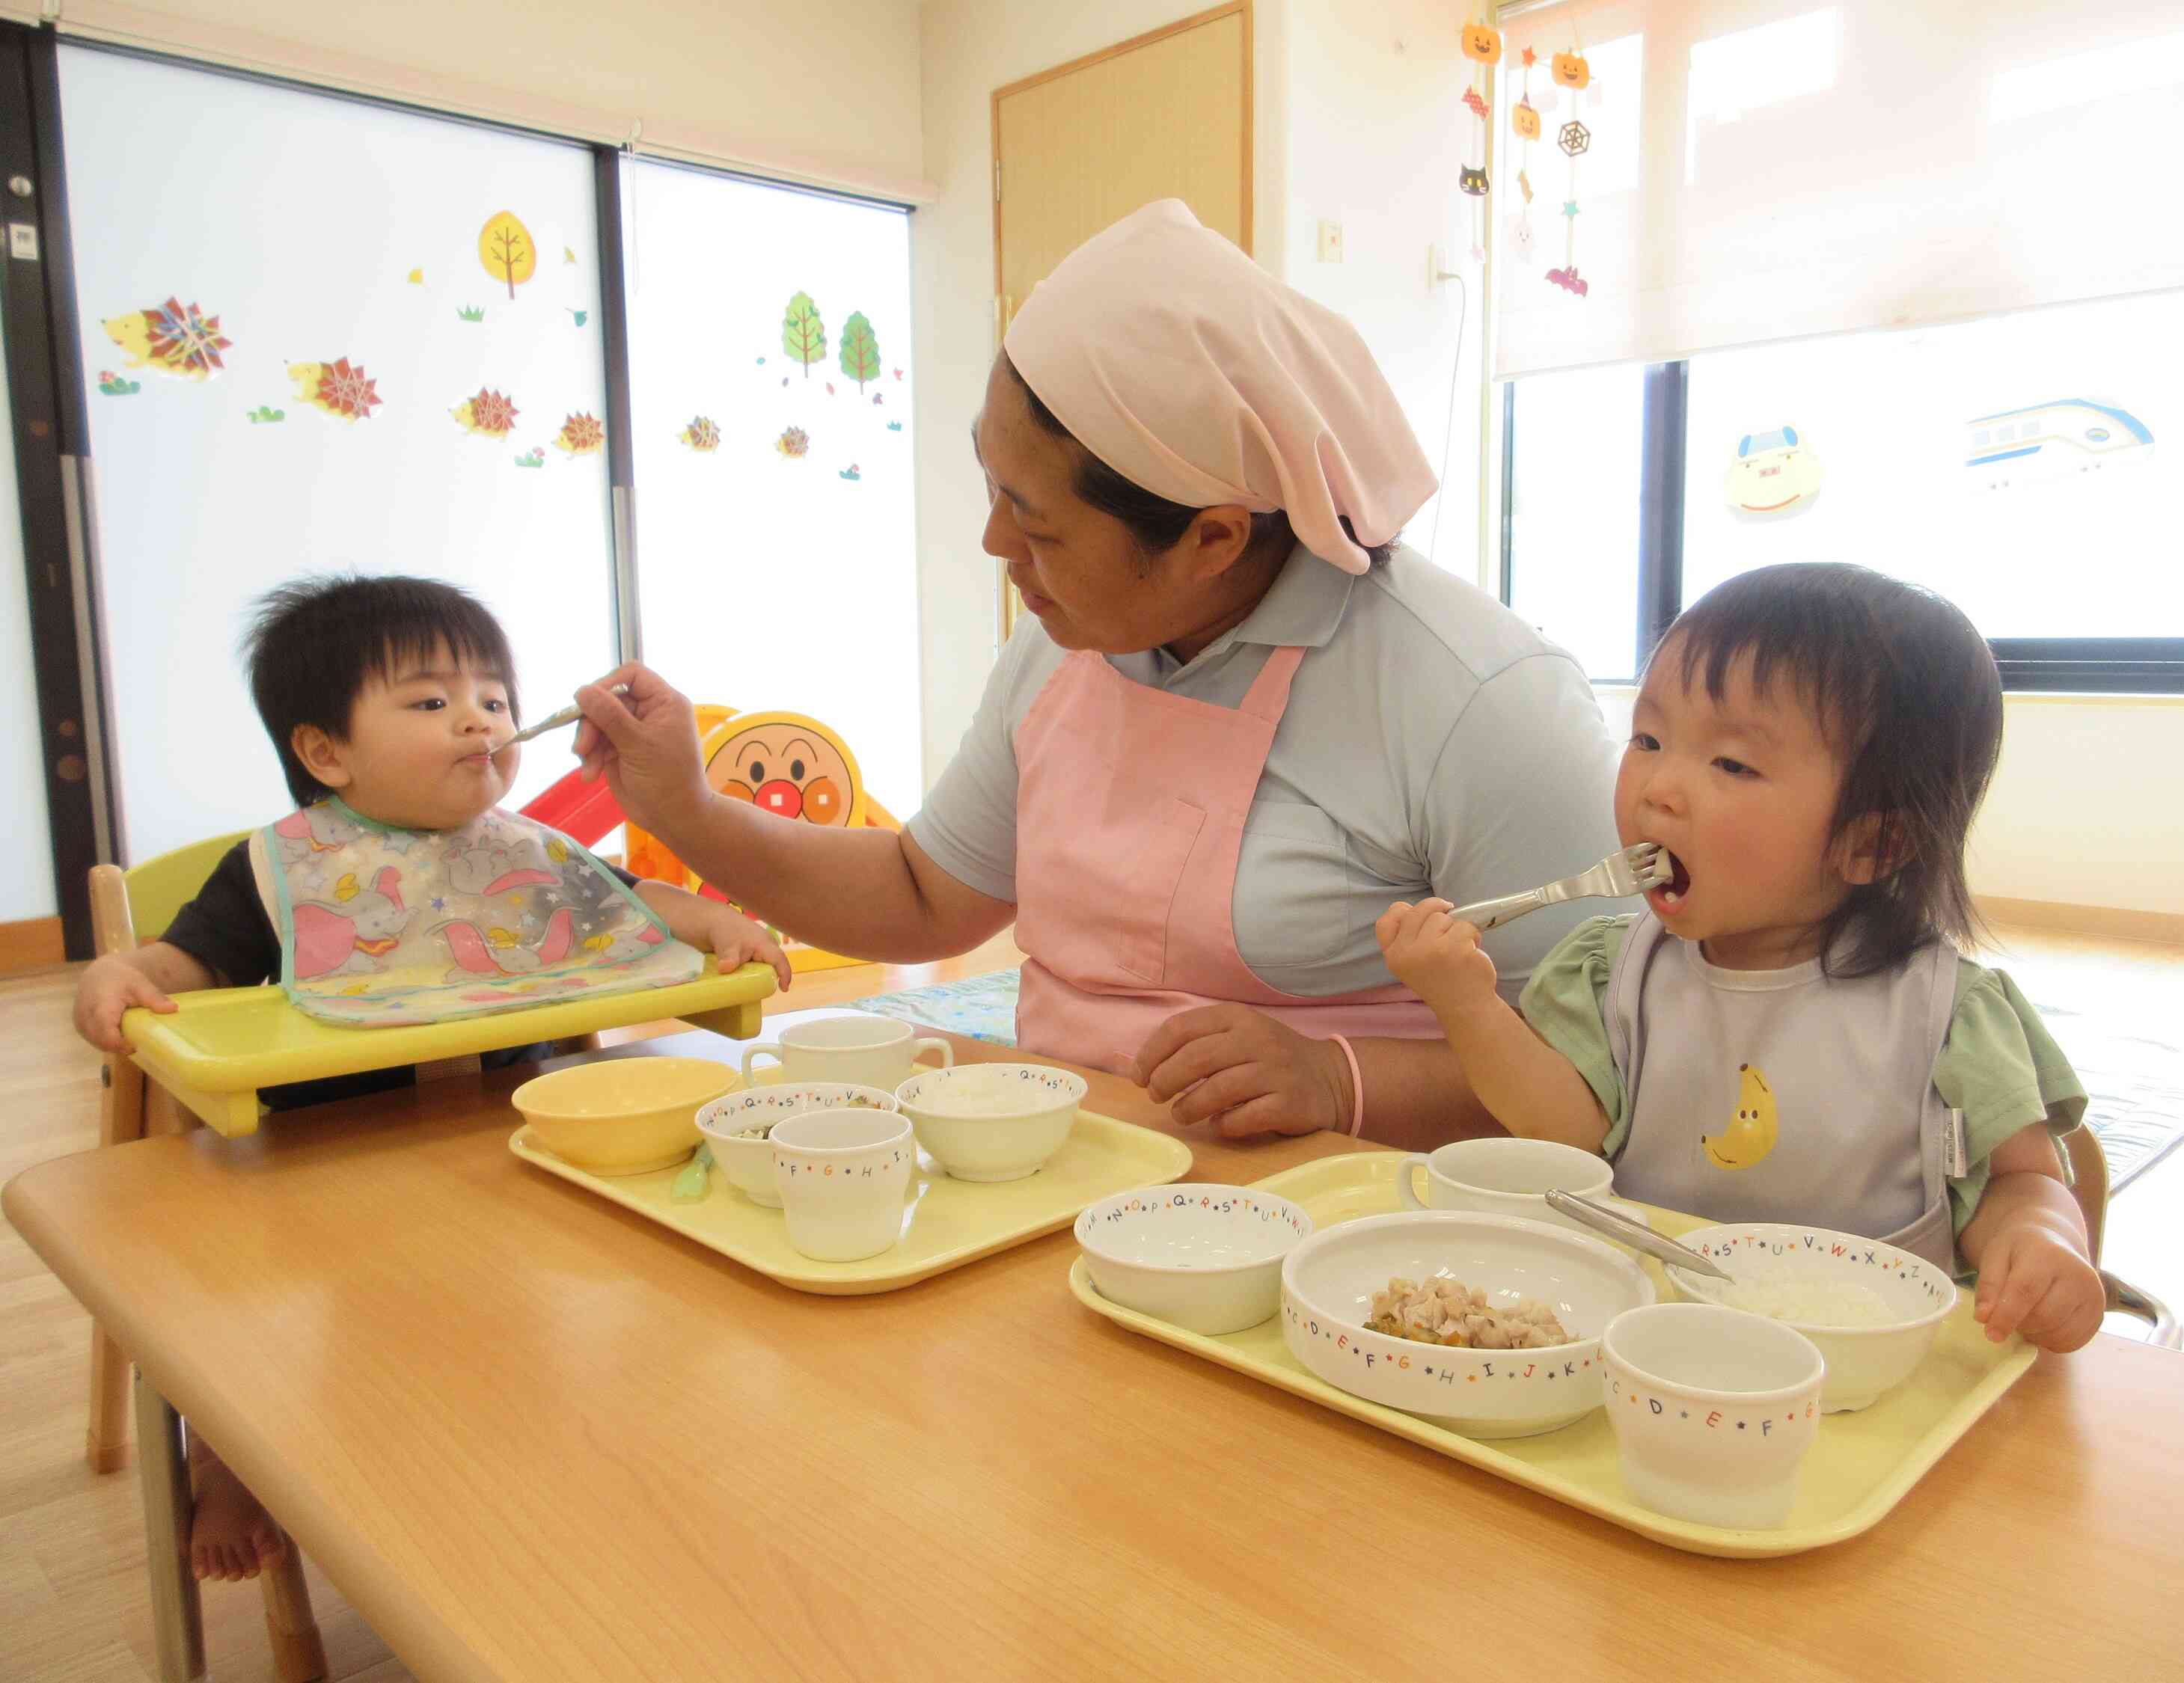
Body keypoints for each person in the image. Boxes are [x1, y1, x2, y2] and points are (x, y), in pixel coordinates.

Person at [572, 199, 1623, 1148]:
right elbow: (922, 895)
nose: (992, 543)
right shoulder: (1065, 639)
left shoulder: (1484, 702)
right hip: (1060, 1167)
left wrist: (1337, 1079)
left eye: (1033, 521)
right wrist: (689, 810)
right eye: (991, 484)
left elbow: (1599, 1072)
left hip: (1338, 1228)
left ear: (1211, 538)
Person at [70, 574, 787, 1579]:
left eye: (493, 699)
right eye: (430, 701)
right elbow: (189, 966)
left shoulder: (527, 849)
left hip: (513, 1143)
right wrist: (121, 971)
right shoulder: (283, 865)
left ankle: (504, 1431)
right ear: (325, 751)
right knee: (219, 1294)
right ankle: (228, 1457)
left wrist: (714, 920)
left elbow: (636, 905)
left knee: (555, 1296)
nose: (478, 721)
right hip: (317, 1169)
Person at [1376, 562, 2101, 1351]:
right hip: (1650, 1342)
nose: (1658, 788)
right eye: (1648, 740)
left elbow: (2026, 1179)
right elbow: (1565, 1132)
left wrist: (2041, 1241)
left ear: (1873, 840)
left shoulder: (1945, 1013)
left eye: (1730, 764)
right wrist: (1465, 1003)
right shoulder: (1615, 972)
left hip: (1863, 1371)